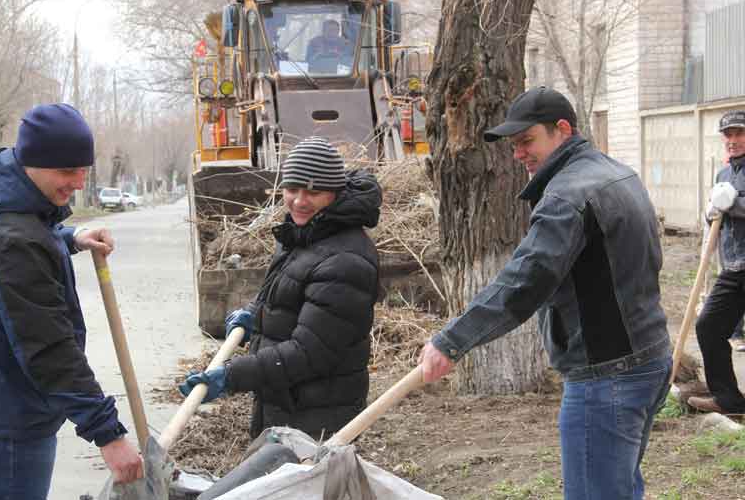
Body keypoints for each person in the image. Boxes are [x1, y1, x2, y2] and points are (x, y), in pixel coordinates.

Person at [418, 86, 672, 500]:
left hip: (606, 377)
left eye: (527, 141)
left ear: (563, 129)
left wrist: (452, 341)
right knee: (618, 488)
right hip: (648, 360)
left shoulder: (567, 196)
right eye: (514, 144)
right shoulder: (617, 173)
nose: (518, 153)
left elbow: (525, 280)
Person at [0, 104, 143, 500]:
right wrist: (108, 433)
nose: (78, 182)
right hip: (5, 416)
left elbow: (18, 245)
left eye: (83, 170)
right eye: (67, 172)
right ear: (33, 163)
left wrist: (67, 239)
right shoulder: (15, 241)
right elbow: (49, 349)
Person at [180, 137, 382, 440]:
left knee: (303, 487)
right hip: (287, 403)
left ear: (334, 194)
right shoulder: (304, 231)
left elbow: (310, 353)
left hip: (319, 419)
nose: (299, 201)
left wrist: (233, 375)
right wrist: (254, 315)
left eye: (313, 192)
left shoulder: (345, 261)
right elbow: (283, 290)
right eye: (292, 189)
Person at [688, 110, 745, 414]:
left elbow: (732, 206)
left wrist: (733, 204)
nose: (733, 141)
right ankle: (728, 400)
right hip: (734, 267)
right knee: (709, 326)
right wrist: (711, 214)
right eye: (729, 135)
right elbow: (718, 215)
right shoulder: (724, 175)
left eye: (739, 134)